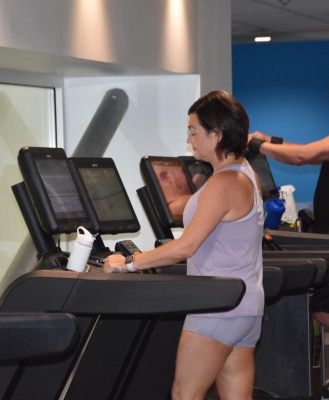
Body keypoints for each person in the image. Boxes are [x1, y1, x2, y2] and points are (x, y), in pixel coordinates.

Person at [104, 90, 265, 400]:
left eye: (193, 131)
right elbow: (215, 216)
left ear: (216, 135)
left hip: (218, 307)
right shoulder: (244, 175)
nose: (189, 139)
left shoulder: (222, 183)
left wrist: (128, 263)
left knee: (184, 394)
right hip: (246, 307)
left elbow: (185, 247)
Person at [248, 63, 329, 400]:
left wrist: (256, 146)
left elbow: (304, 155)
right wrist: (270, 141)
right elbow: (307, 149)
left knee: (324, 308)